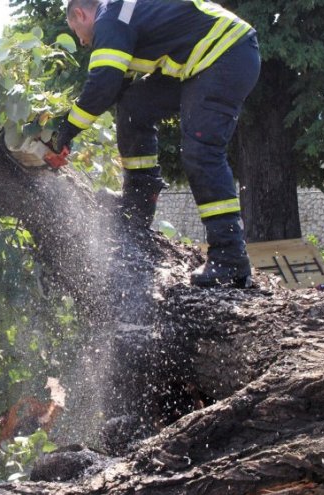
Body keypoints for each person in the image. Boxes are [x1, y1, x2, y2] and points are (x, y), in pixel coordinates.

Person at [50, 0, 261, 288]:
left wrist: (64, 131)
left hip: (226, 54)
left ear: (80, 13)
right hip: (203, 63)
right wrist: (67, 132)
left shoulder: (109, 21)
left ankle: (229, 255)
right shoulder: (121, 18)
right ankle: (138, 204)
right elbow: (116, 90)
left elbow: (102, 85)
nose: (83, 41)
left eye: (77, 32)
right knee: (133, 105)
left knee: (201, 152)